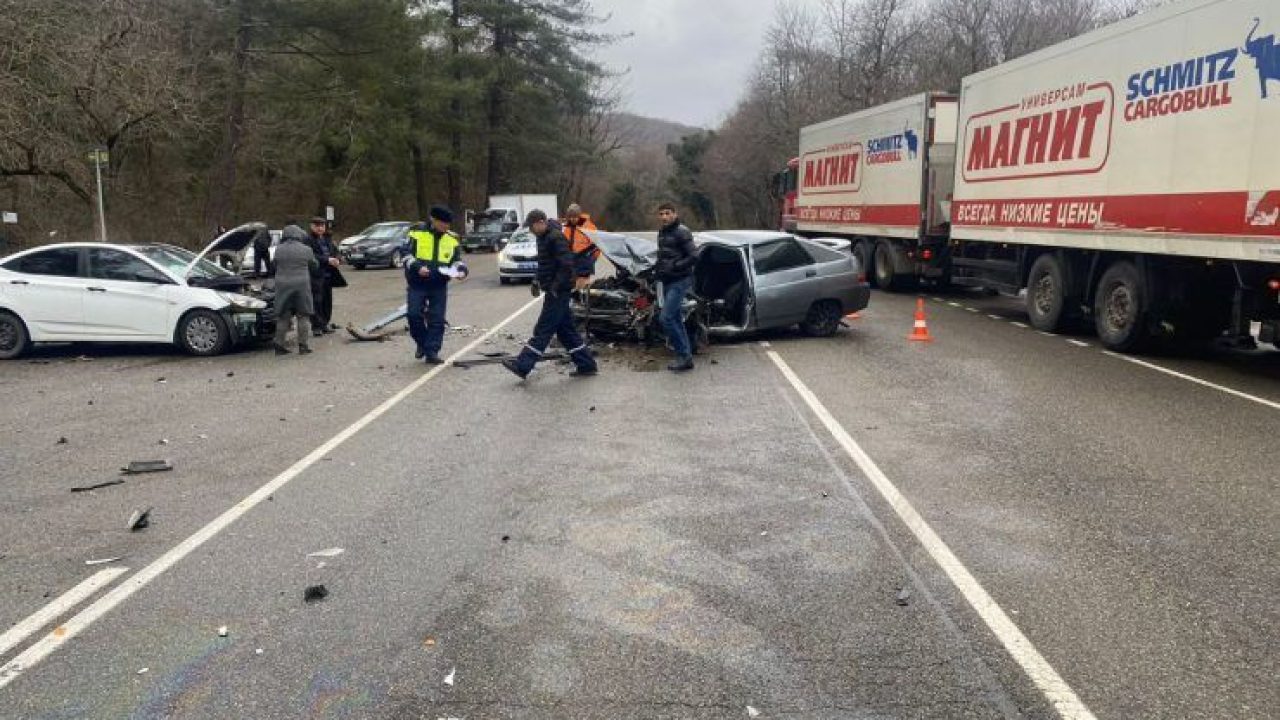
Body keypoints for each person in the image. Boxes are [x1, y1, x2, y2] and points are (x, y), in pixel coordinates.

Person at [503, 210, 598, 379]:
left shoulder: (556, 237)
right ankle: (587, 365)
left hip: (559, 291)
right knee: (566, 331)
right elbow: (545, 265)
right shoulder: (542, 238)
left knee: (543, 329)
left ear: (540, 223)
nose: (531, 232)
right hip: (553, 289)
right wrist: (536, 281)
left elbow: (566, 265)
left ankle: (522, 365)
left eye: (531, 227)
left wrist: (555, 286)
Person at [403, 206, 469, 364]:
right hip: (417, 283)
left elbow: (457, 260)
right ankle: (422, 342)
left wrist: (461, 271)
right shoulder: (416, 233)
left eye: (448, 224)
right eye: (443, 223)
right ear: (433, 220)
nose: (446, 227)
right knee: (413, 315)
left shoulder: (452, 239)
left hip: (439, 284)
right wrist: (418, 268)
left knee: (437, 320)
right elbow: (405, 255)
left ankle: (432, 352)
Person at [655, 202, 698, 372]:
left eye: (667, 213)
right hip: (667, 281)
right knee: (675, 319)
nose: (664, 217)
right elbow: (663, 256)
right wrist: (657, 271)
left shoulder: (682, 232)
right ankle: (686, 356)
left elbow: (694, 255)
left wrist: (676, 266)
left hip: (680, 280)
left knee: (665, 318)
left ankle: (684, 356)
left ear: (674, 214)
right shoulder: (662, 233)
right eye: (661, 214)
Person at [271, 225, 318, 355]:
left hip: (282, 285)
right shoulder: (306, 250)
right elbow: (314, 265)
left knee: (283, 315)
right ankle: (303, 345)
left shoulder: (278, 250)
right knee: (303, 315)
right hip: (301, 285)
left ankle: (279, 344)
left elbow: (273, 265)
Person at [304, 217, 341, 334]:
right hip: (315, 275)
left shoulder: (327, 239)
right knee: (316, 301)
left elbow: (335, 251)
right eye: (317, 226)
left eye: (322, 226)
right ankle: (316, 326)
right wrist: (327, 260)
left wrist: (337, 259)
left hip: (329, 274)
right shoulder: (307, 240)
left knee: (327, 301)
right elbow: (311, 256)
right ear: (312, 227)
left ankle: (325, 323)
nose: (320, 228)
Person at [563, 203, 600, 290]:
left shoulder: (589, 227)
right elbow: (564, 244)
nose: (572, 219)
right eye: (570, 217)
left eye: (575, 217)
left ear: (579, 215)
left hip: (585, 261)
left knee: (582, 287)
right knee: (573, 288)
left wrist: (592, 259)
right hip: (571, 262)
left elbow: (597, 245)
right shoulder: (567, 228)